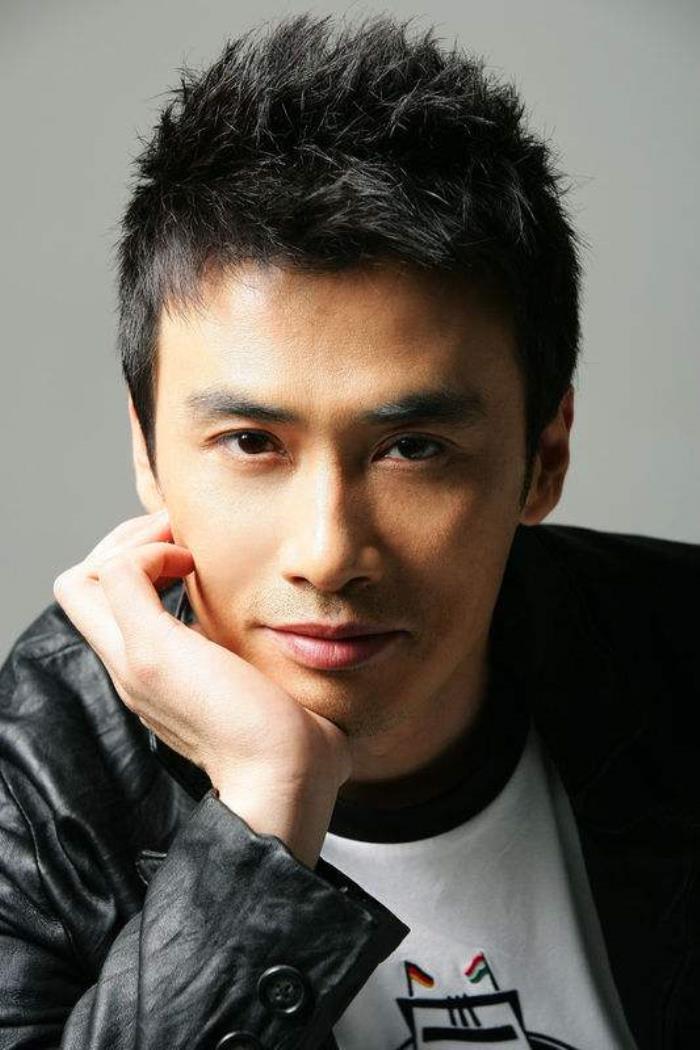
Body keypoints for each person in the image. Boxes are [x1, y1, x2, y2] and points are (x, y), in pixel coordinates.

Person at [0, 11, 697, 1050]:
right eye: (251, 443)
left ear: (543, 457)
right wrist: (264, 805)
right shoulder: (37, 784)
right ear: (148, 453)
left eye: (413, 448)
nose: (328, 553)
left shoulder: (679, 654)